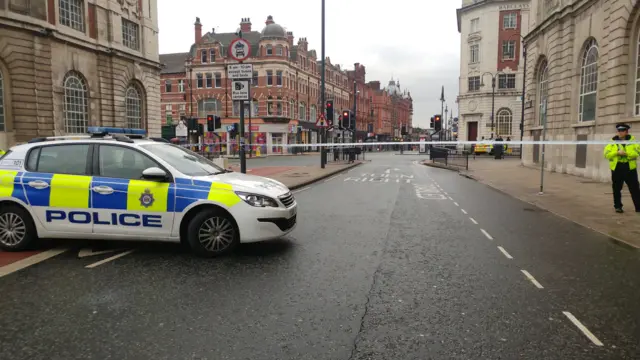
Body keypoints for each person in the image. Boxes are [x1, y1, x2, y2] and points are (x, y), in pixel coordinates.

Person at [603, 123, 640, 213]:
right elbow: (606, 154)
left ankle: (638, 207)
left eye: (622, 130)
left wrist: (627, 154)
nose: (620, 132)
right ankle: (618, 206)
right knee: (616, 188)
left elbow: (637, 153)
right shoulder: (612, 142)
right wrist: (617, 153)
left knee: (635, 188)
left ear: (626, 131)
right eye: (619, 130)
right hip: (617, 167)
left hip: (629, 167)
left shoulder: (633, 141)